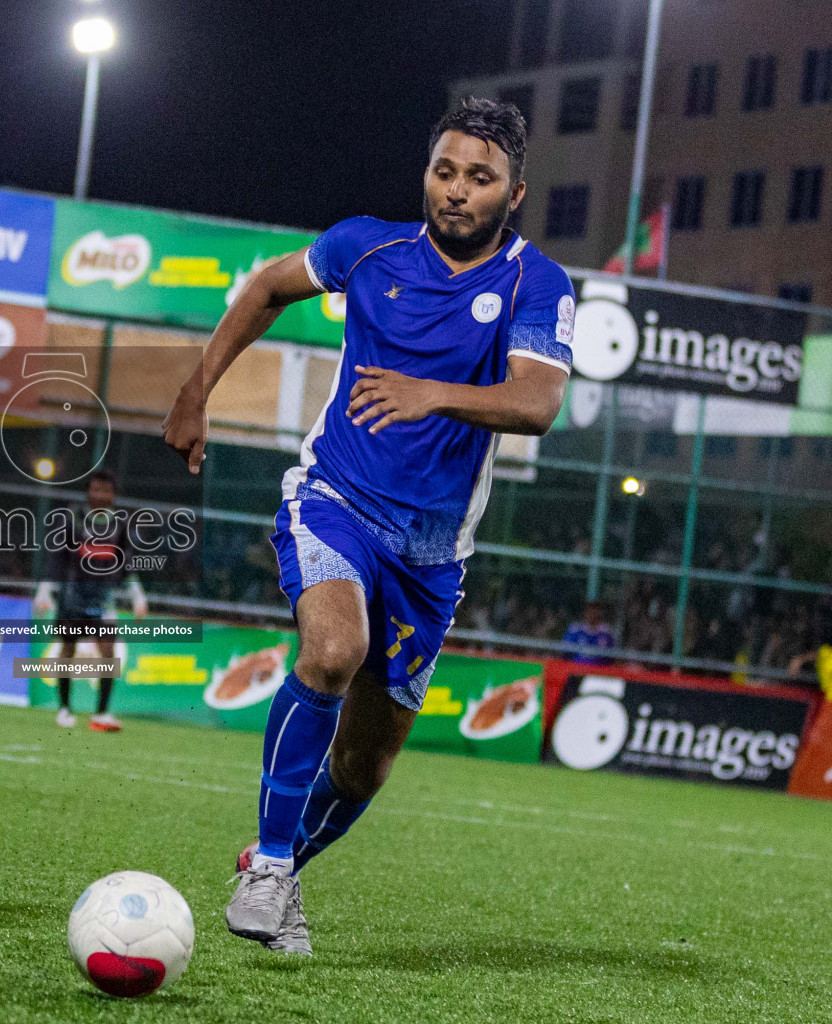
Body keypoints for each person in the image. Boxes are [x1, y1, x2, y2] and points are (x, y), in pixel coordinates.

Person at [162, 98, 572, 955]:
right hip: (335, 500)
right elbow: (269, 285)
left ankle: (276, 871)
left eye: (480, 178)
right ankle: (272, 866)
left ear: (516, 192)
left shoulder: (537, 283)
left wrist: (433, 394)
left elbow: (536, 403)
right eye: (445, 170)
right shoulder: (367, 246)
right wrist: (198, 388)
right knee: (332, 651)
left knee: (362, 769)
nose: (457, 191)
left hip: (433, 554)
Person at [32, 470, 149, 732]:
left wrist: (137, 596)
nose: (100, 494)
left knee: (108, 651)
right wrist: (45, 591)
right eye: (95, 489)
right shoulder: (73, 519)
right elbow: (57, 558)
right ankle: (64, 709)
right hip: (73, 596)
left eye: (105, 490)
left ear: (113, 494)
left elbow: (126, 564)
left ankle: (102, 714)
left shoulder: (120, 524)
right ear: (88, 492)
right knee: (67, 650)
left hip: (103, 597)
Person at [562, 600, 616, 664]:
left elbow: (613, 655)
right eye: (590, 610)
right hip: (577, 668)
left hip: (599, 670)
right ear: (585, 612)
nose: (592, 613)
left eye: (596, 610)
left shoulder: (606, 632)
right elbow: (565, 653)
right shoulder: (575, 629)